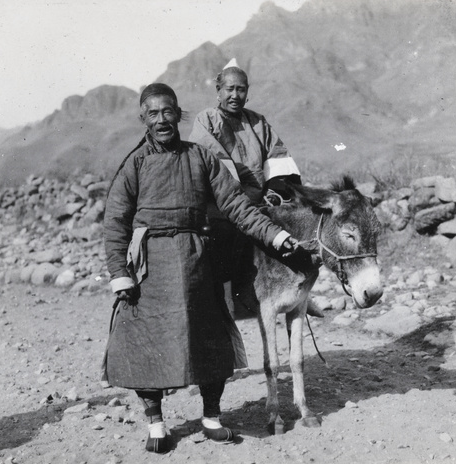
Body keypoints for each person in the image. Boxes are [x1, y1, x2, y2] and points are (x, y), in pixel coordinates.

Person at [103, 83, 299, 454]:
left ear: (179, 114)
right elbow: (115, 222)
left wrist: (276, 237)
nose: (162, 120)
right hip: (150, 263)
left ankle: (211, 417)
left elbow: (238, 206)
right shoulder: (135, 164)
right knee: (146, 340)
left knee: (210, 336)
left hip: (196, 258)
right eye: (154, 113)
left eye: (168, 112)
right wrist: (119, 273)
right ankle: (157, 423)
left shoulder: (200, 158)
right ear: (142, 118)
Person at [188, 59, 324, 318]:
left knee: (293, 225)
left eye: (241, 89)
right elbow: (211, 162)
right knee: (225, 232)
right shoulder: (206, 119)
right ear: (218, 90)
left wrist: (274, 190)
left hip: (261, 200)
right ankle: (227, 298)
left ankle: (299, 294)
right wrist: (239, 195)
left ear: (247, 92)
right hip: (223, 201)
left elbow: (277, 157)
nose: (235, 95)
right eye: (229, 89)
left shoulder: (258, 122)